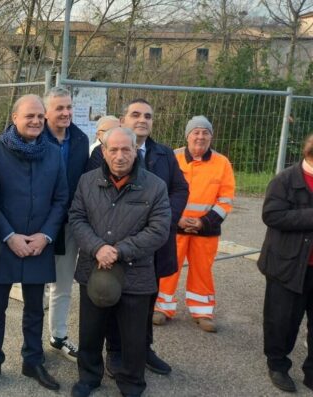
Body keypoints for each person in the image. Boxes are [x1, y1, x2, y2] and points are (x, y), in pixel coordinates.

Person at [86, 99, 188, 376]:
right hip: (110, 244)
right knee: (110, 298)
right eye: (136, 114)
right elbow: (90, 198)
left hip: (150, 245)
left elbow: (180, 189)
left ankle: (142, 349)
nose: (142, 119)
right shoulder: (101, 154)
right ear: (123, 120)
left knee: (144, 301)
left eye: (148, 115)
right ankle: (115, 352)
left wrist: (164, 215)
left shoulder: (165, 154)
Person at [69, 127, 171, 397]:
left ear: (136, 151)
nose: (119, 155)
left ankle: (132, 383)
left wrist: (120, 250)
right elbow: (77, 218)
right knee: (90, 332)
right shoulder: (86, 182)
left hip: (135, 274)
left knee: (133, 337)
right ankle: (89, 378)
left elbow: (159, 230)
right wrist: (97, 247)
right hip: (94, 269)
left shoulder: (155, 186)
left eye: (126, 149)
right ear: (103, 151)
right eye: (113, 149)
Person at [0, 94, 68, 391]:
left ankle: (33, 361)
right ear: (14, 117)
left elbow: (60, 199)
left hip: (39, 244)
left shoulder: (54, 153)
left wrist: (46, 235)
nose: (35, 121)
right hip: (4, 244)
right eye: (28, 116)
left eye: (39, 116)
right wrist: (9, 236)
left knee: (34, 309)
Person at [155, 115, 235, 333]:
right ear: (188, 135)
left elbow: (226, 199)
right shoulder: (172, 157)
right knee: (168, 267)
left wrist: (203, 222)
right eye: (196, 132)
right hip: (174, 225)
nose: (200, 136)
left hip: (206, 229)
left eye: (205, 132)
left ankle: (203, 311)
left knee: (202, 270)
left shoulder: (222, 162)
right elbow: (161, 190)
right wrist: (176, 217)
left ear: (211, 136)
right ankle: (162, 308)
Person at [259, 134, 313, 393]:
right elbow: (272, 214)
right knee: (282, 320)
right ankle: (278, 365)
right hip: (287, 265)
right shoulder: (285, 180)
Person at [43, 87, 89, 362]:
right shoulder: (34, 137)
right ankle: (29, 345)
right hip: (37, 224)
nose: (66, 112)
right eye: (59, 108)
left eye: (69, 107)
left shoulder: (81, 140)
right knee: (34, 286)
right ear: (46, 111)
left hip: (69, 223)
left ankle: (58, 336)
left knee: (62, 284)